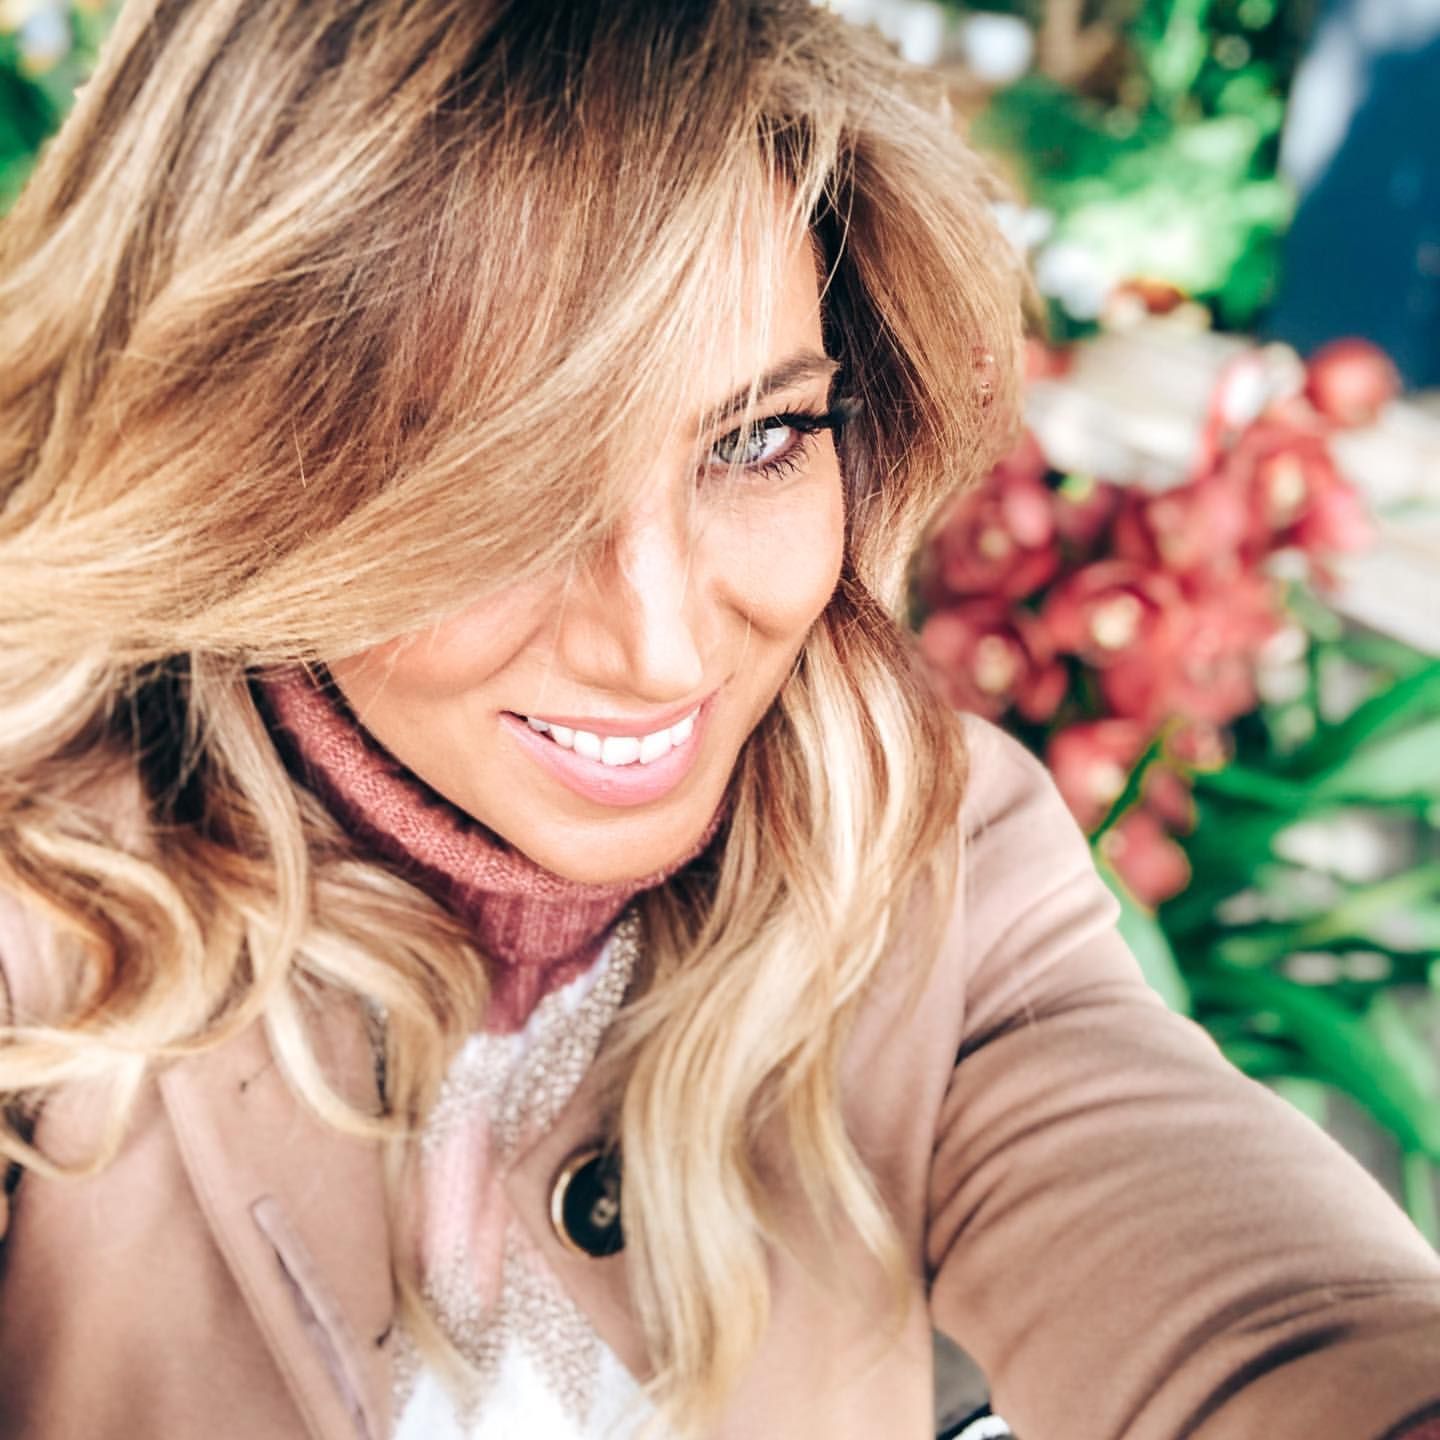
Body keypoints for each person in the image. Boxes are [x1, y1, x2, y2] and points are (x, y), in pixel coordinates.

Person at [0, 3, 1437, 1438]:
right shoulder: (41, 909)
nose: (665, 647)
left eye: (758, 440)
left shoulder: (927, 863)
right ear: (235, 472)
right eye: (498, 488)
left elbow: (1261, 1322)